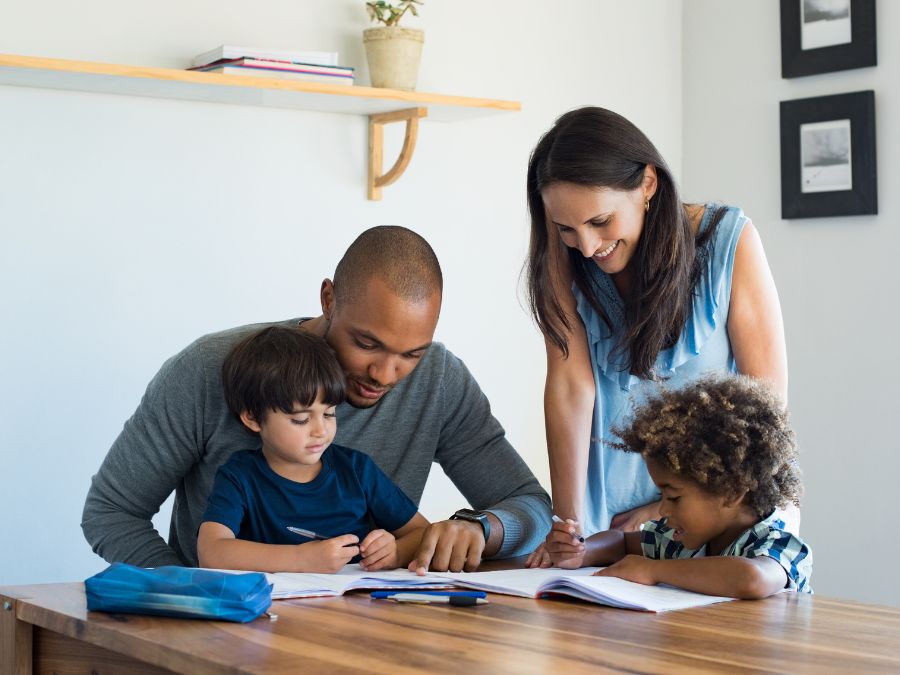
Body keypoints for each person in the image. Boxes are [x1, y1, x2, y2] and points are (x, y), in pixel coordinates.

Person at [83, 226, 551, 573]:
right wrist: (191, 594)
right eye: (367, 344)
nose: (385, 375)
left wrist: (481, 528)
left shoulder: (440, 380)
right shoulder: (209, 370)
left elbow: (530, 506)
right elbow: (111, 512)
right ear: (329, 298)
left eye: (411, 354)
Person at [522, 107, 789, 563]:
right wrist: (567, 527)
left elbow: (764, 407)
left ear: (647, 184)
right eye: (566, 228)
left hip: (716, 521)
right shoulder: (563, 262)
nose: (587, 246)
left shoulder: (729, 241)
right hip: (606, 527)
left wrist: (665, 507)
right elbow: (570, 389)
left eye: (600, 222)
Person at [544, 373, 812, 598]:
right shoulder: (681, 539)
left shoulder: (776, 542)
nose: (662, 510)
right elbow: (622, 543)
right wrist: (582, 551)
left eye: (673, 498)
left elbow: (751, 578)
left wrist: (653, 570)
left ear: (731, 492)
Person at [198, 326, 430, 573]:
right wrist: (301, 559)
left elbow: (423, 532)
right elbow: (212, 552)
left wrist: (395, 552)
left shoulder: (356, 470)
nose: (320, 431)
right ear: (253, 418)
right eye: (301, 419)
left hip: (355, 605)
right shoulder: (240, 476)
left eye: (329, 413)